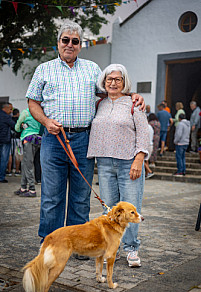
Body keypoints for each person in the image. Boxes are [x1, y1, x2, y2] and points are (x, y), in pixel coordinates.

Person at [26, 21, 145, 253]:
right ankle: (49, 242)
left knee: (81, 196)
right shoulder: (43, 69)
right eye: (65, 40)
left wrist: (133, 94)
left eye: (75, 41)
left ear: (81, 45)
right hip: (54, 139)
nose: (70, 45)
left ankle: (77, 243)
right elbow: (33, 101)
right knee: (52, 197)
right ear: (58, 42)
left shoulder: (92, 69)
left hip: (83, 140)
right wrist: (46, 121)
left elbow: (111, 90)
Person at [87, 64, 149, 267]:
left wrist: (139, 159)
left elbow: (143, 134)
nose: (113, 83)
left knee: (130, 208)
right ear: (104, 82)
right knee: (111, 211)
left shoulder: (133, 103)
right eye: (109, 79)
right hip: (104, 164)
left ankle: (131, 248)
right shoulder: (99, 104)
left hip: (128, 164)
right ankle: (112, 249)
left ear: (124, 83)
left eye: (118, 79)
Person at [14, 108, 41, 197]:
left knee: (28, 164)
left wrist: (21, 127)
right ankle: (23, 187)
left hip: (28, 138)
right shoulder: (40, 112)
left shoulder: (26, 112)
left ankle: (32, 189)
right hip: (37, 139)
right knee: (25, 164)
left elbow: (17, 127)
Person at [0, 103, 15, 183]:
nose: (11, 111)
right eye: (10, 109)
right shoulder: (6, 116)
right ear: (5, 108)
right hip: (4, 140)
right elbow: (14, 125)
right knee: (4, 159)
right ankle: (1, 177)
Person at [7, 108, 22, 176]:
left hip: (10, 139)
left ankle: (9, 171)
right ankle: (17, 171)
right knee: (17, 155)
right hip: (18, 139)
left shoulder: (9, 119)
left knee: (9, 154)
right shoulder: (19, 120)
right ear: (18, 113)